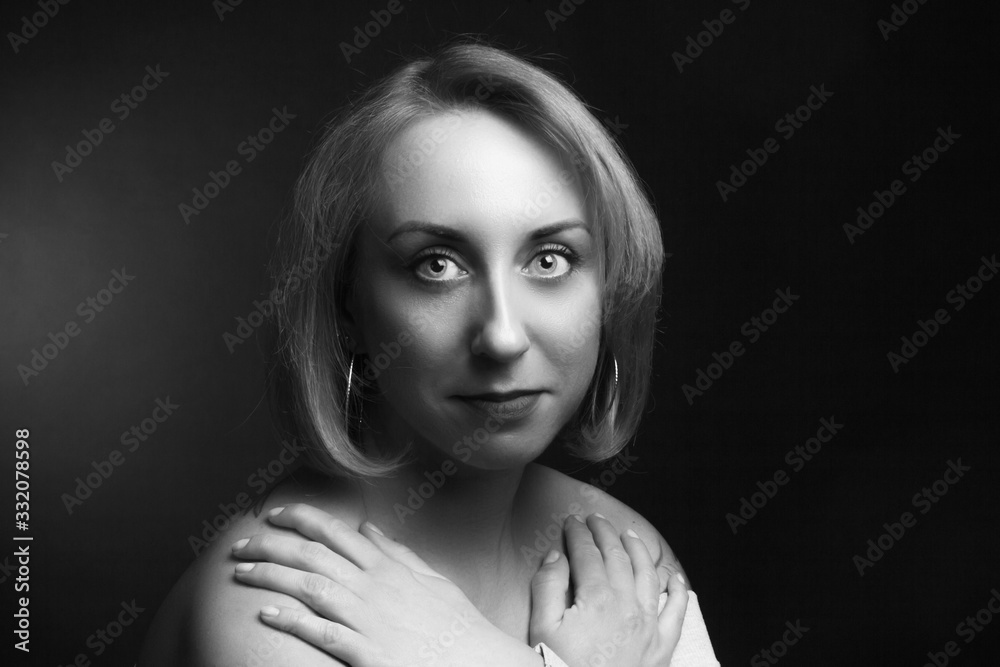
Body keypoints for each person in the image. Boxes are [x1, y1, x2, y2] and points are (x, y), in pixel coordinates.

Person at [139, 41, 720, 666]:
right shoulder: (280, 599)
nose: (502, 336)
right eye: (436, 266)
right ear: (347, 308)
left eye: (549, 260)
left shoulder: (621, 559)